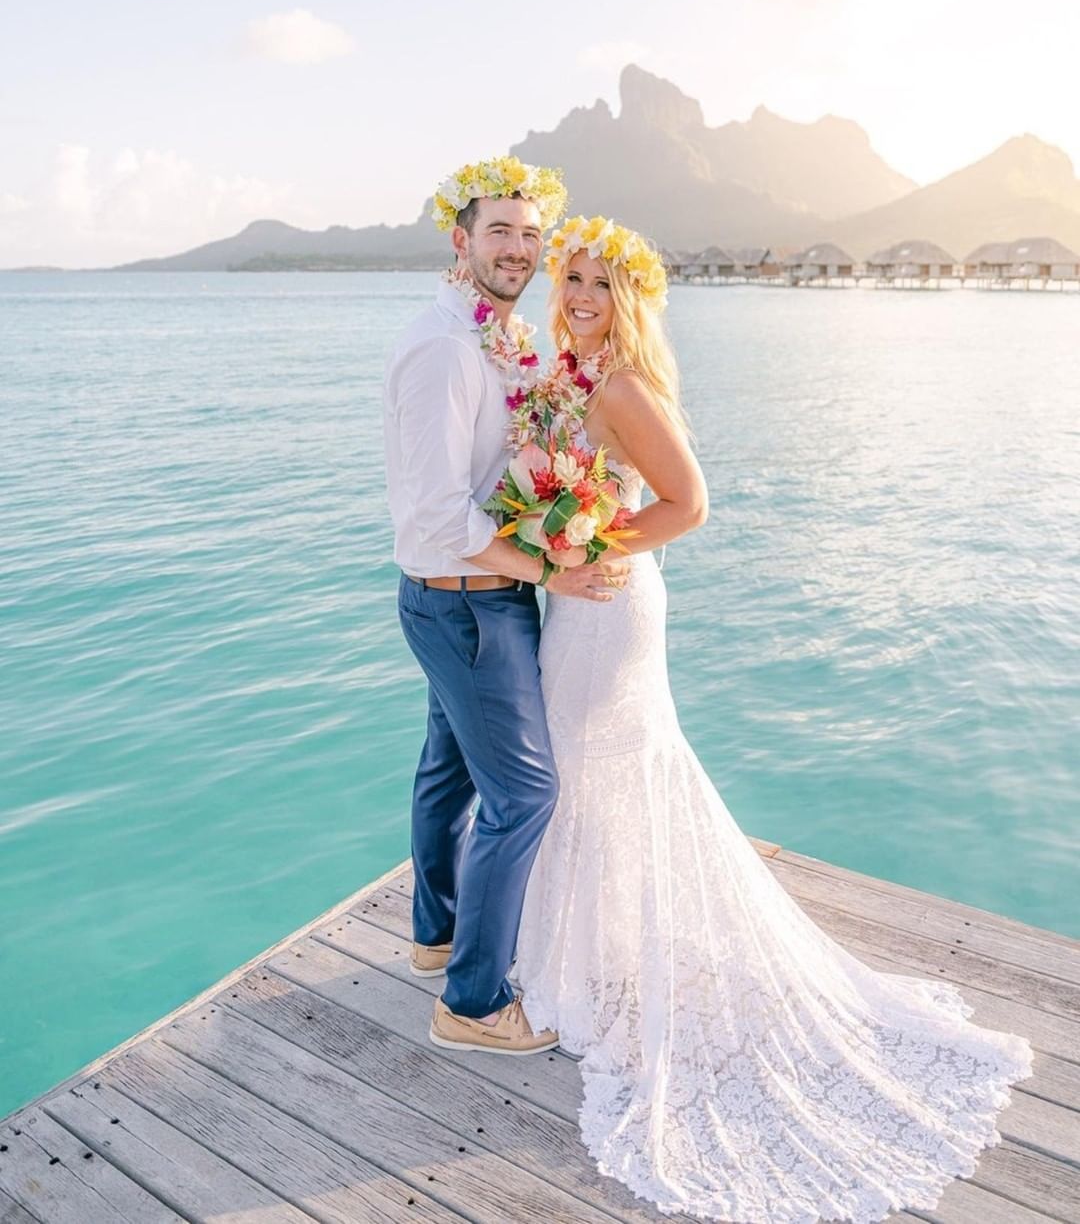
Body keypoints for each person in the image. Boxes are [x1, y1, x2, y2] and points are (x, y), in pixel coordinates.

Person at [513, 215, 1034, 1222]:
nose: (578, 295)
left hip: (610, 607)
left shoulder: (620, 386)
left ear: (626, 298)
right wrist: (552, 535)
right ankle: (596, 952)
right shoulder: (574, 378)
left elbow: (689, 502)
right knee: (582, 772)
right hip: (578, 604)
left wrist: (587, 544)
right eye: (570, 277)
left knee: (598, 764)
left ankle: (593, 964)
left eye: (598, 282)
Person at [382, 161, 632, 1058]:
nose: (518, 249)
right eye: (499, 231)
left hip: (465, 599)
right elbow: (440, 515)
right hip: (467, 605)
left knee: (449, 772)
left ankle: (437, 934)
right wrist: (546, 572)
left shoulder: (495, 335)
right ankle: (474, 1001)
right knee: (525, 794)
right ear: (461, 239)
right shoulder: (446, 350)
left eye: (530, 234)